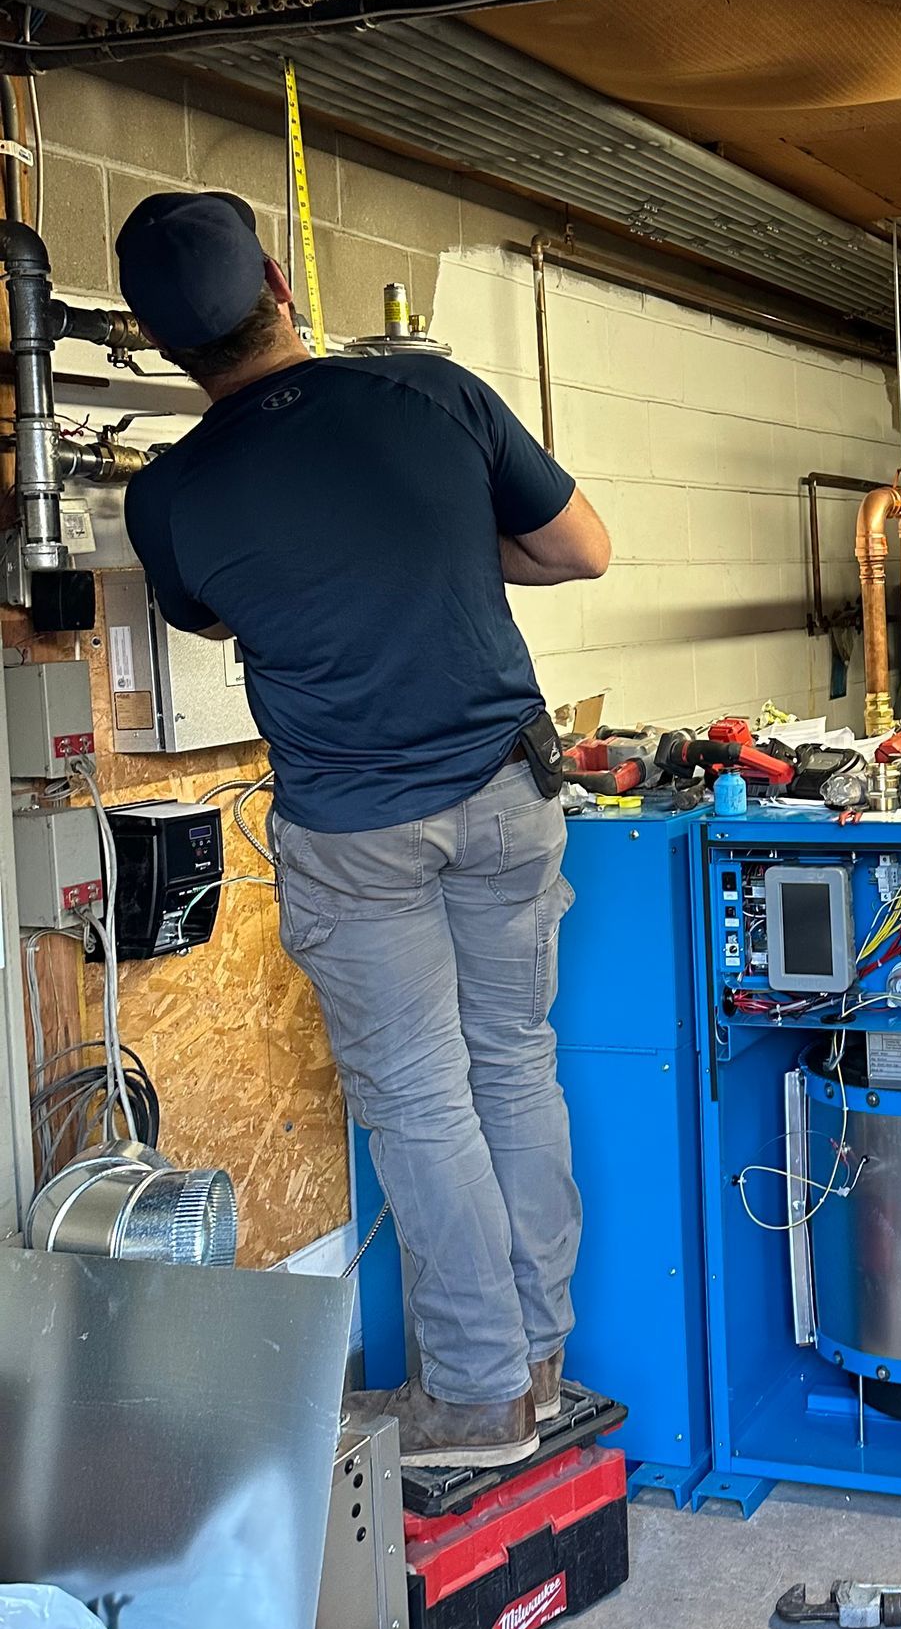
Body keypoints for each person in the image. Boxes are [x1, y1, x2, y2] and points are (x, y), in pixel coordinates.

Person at [115, 192, 611, 1471]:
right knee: (513, 1065)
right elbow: (581, 551)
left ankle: (478, 1397)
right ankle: (540, 1363)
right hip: (508, 795)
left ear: (163, 345)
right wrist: (449, 541)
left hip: (354, 828)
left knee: (422, 1105)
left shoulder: (170, 495)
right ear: (279, 279)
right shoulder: (430, 397)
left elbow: (215, 615)